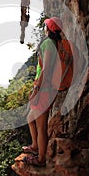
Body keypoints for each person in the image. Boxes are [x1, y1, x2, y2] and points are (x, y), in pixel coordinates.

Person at [22, 16, 63, 167]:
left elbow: (45, 69)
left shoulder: (48, 43)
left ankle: (41, 159)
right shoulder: (56, 43)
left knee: (41, 126)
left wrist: (36, 89)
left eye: (46, 25)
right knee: (30, 118)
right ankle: (34, 146)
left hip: (45, 90)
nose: (44, 27)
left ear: (49, 29)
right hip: (48, 88)